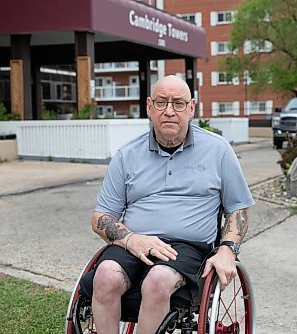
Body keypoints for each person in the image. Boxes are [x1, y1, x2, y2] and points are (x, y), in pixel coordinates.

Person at [90, 75, 254, 333]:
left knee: (157, 281)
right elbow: (101, 217)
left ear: (191, 108)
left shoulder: (218, 150)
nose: (169, 111)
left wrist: (228, 250)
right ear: (148, 107)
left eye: (178, 103)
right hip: (135, 243)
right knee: (105, 275)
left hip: (188, 248)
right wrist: (132, 239)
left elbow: (238, 208)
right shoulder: (127, 155)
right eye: (161, 102)